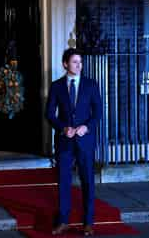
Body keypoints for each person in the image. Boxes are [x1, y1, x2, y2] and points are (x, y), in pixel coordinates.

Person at [46, 48, 102, 236]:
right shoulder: (56, 86)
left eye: (80, 62)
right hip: (65, 141)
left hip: (85, 141)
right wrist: (63, 128)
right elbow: (49, 114)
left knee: (87, 181)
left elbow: (98, 113)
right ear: (65, 64)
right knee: (63, 182)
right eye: (75, 62)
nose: (79, 65)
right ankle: (63, 221)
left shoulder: (91, 85)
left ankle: (88, 223)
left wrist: (87, 127)